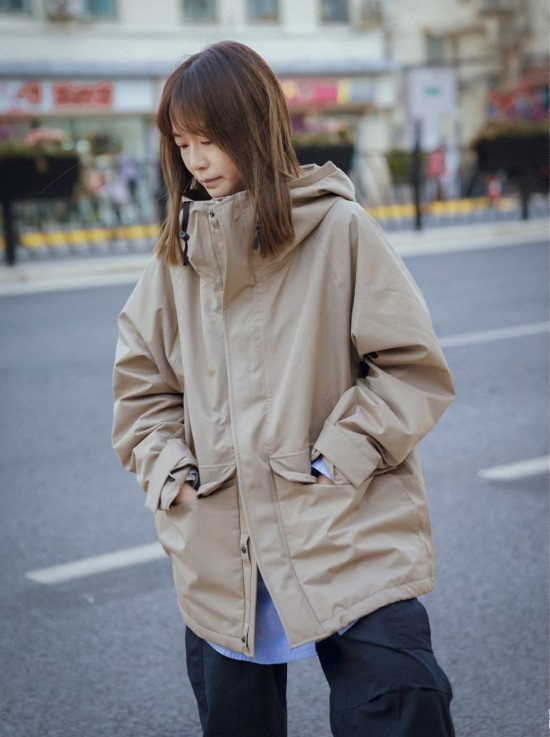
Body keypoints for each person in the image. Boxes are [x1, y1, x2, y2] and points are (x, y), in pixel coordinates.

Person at [112, 41, 456, 737]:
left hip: (344, 523)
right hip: (221, 544)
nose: (196, 160)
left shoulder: (340, 232)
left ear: (253, 128)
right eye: (182, 143)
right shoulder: (176, 258)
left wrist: (339, 458)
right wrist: (173, 473)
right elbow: (141, 392)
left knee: (399, 707)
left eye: (209, 139)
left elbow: (410, 367)